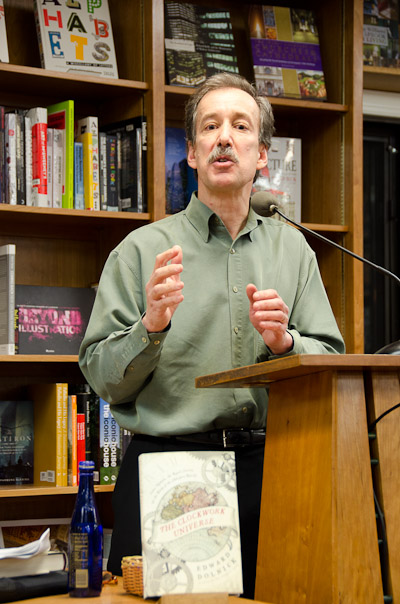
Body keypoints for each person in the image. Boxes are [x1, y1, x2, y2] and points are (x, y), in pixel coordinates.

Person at [79, 72, 345, 598]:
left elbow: (330, 357)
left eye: (240, 125)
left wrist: (287, 345)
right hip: (168, 473)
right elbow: (102, 378)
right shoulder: (139, 250)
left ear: (262, 154)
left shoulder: (294, 251)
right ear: (194, 154)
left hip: (275, 472)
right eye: (210, 126)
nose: (225, 136)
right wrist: (149, 326)